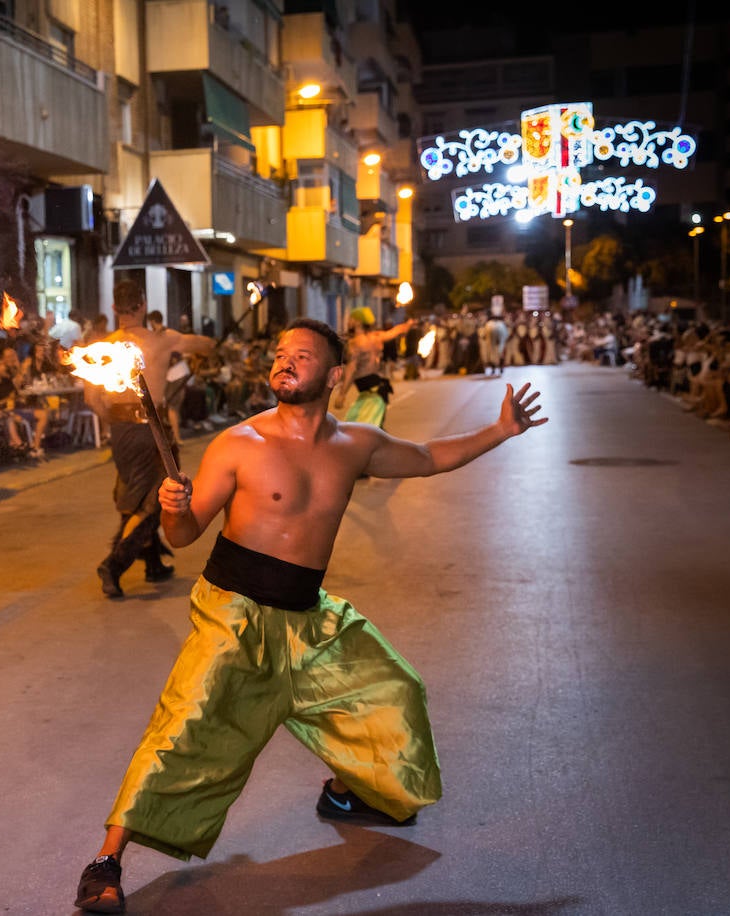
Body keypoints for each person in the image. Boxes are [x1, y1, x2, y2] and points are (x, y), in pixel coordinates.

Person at [73, 318, 548, 913]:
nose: (284, 363)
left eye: (301, 356)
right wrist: (173, 509)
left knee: (393, 689)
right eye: (279, 354)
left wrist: (500, 430)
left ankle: (345, 793)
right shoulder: (239, 444)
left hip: (308, 615)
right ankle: (106, 861)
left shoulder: (355, 444)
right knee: (181, 731)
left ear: (335, 374)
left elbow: (428, 457)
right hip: (235, 616)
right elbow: (186, 533)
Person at [94, 278, 215, 599]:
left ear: (114, 308)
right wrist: (204, 347)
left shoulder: (102, 348)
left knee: (134, 492)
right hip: (152, 429)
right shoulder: (162, 340)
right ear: (143, 305)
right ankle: (114, 564)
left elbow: (92, 400)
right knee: (154, 499)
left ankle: (152, 562)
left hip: (120, 432)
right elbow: (205, 344)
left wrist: (114, 421)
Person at [331, 307, 414, 427]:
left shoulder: (355, 344)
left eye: (351, 319)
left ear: (358, 322)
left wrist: (342, 394)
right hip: (377, 391)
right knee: (365, 431)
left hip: (372, 394)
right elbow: (396, 331)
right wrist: (408, 324)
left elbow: (351, 369)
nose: (348, 321)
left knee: (358, 431)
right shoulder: (377, 337)